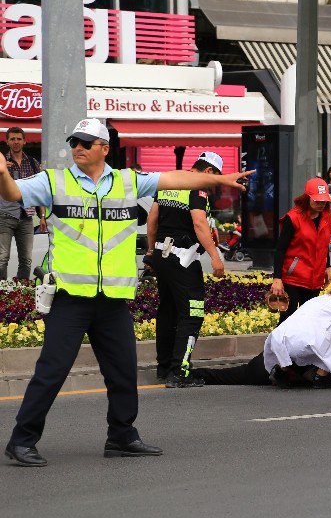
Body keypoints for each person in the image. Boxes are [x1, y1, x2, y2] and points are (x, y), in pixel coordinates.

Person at [0, 118, 248, 467]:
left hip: (113, 302)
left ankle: (121, 436)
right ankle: (22, 440)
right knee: (52, 371)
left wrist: (220, 179)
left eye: (86, 142)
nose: (78, 148)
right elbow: (13, 193)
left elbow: (178, 177)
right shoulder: (54, 181)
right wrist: (1, 174)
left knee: (122, 371)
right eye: (74, 142)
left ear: (104, 148)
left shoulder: (128, 181)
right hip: (71, 298)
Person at [146, 151, 227, 388]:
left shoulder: (169, 181)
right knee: (192, 314)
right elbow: (199, 223)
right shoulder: (197, 188)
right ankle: (180, 372)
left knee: (168, 311)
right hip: (183, 258)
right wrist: (215, 257)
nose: (212, 185)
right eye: (215, 179)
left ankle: (164, 369)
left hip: (162, 255)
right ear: (209, 172)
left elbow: (153, 219)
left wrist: (151, 251)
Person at [264, 277, 331, 388]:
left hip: (278, 340)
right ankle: (322, 376)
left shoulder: (317, 300)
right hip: (303, 344)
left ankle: (280, 371)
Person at [270, 178, 331, 325]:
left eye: (323, 200)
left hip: (315, 278)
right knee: (288, 319)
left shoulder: (328, 217)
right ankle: (276, 348)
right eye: (317, 200)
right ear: (307, 197)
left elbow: (324, 243)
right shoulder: (293, 218)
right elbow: (280, 250)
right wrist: (277, 279)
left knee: (310, 320)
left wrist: (327, 266)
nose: (321, 204)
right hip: (293, 277)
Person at [0, 127, 43, 280]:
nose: (16, 142)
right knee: (2, 259)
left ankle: (20, 296)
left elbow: (40, 190)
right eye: (12, 139)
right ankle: (2, 293)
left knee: (26, 260)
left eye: (19, 139)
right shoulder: (2, 162)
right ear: (7, 141)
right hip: (5, 215)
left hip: (26, 217)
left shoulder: (32, 162)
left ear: (24, 141)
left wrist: (42, 216)